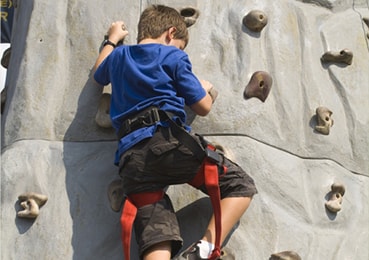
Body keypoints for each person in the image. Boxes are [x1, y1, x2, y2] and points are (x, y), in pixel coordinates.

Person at [93, 5, 257, 260]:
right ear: (171, 33)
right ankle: (203, 249)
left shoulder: (119, 56)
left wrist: (111, 39)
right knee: (240, 185)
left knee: (155, 230)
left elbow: (97, 74)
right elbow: (202, 107)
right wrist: (206, 89)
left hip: (132, 160)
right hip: (169, 143)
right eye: (180, 45)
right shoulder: (173, 57)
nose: (180, 51)